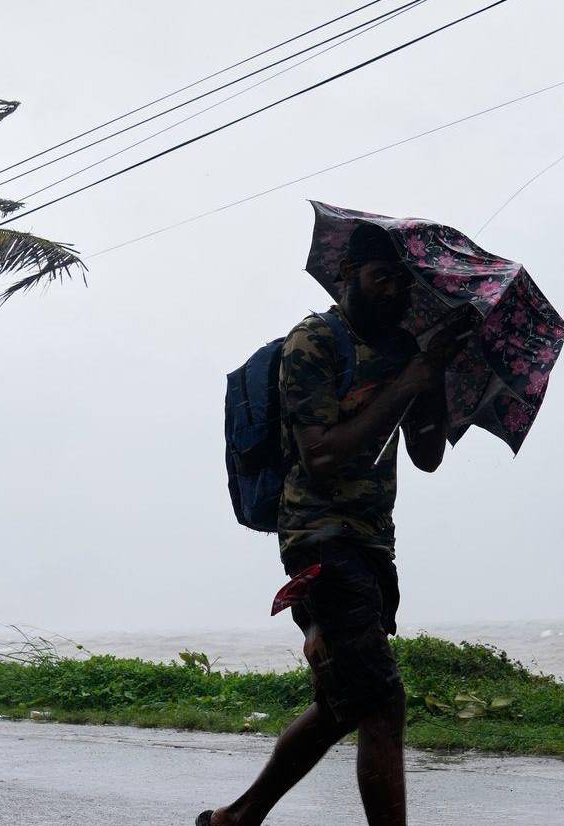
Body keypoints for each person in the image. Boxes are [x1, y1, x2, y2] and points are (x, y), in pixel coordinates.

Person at [201, 224, 479, 826]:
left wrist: (432, 382)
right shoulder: (314, 343)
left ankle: (236, 818)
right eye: (383, 279)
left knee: (341, 703)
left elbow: (426, 455)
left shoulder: (407, 348)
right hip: (319, 538)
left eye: (404, 284)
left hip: (374, 542)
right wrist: (407, 381)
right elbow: (322, 457)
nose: (395, 293)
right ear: (349, 274)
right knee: (382, 701)